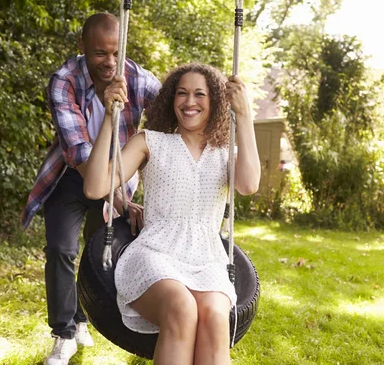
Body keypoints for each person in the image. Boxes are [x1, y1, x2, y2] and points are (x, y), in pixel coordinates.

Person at [84, 63, 261, 364]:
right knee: (181, 307)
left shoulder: (225, 153)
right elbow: (95, 185)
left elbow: (248, 185)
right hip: (156, 253)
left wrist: (243, 117)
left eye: (199, 94)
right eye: (182, 93)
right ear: (170, 99)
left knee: (217, 318)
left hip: (207, 260)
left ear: (216, 100)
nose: (189, 102)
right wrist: (109, 122)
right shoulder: (150, 142)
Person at [20, 12, 161, 365]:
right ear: (82, 46)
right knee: (60, 248)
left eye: (115, 52)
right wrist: (120, 201)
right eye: (99, 53)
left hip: (117, 175)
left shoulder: (138, 79)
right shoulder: (64, 81)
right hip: (72, 174)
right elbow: (80, 154)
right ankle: (65, 332)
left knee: (100, 252)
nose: (110, 62)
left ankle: (85, 316)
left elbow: (174, 117)